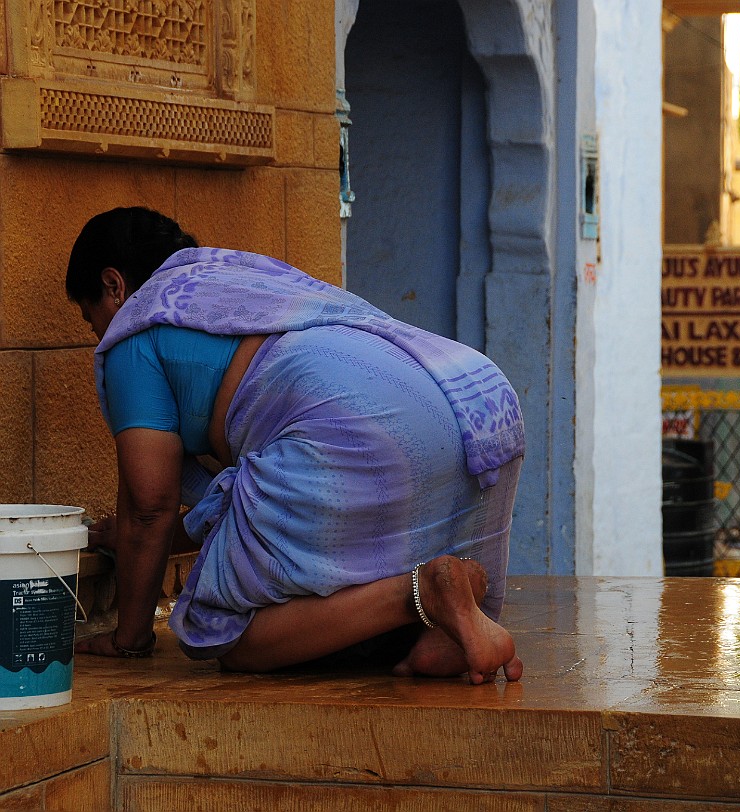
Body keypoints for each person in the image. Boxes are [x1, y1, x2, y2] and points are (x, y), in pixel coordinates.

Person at [67, 207, 525, 684]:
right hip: (471, 396)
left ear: (114, 285)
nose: (98, 336)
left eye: (90, 317)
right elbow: (220, 516)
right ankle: (441, 626)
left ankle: (426, 593)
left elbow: (149, 507)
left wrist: (130, 639)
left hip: (355, 420)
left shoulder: (134, 332)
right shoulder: (238, 285)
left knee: (226, 634)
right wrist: (140, 539)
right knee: (341, 586)